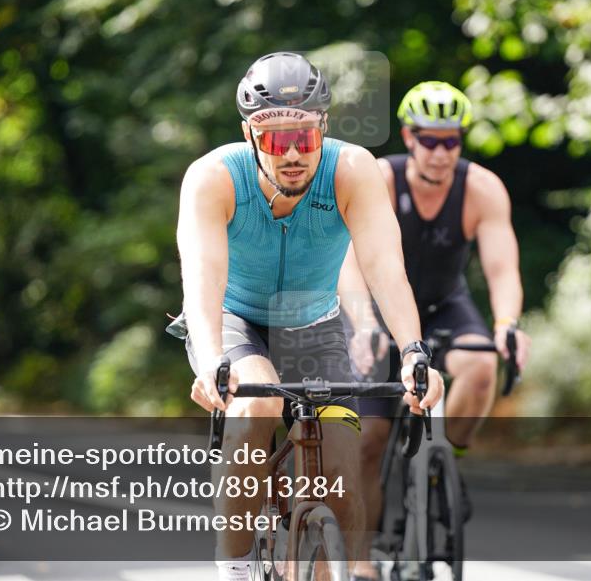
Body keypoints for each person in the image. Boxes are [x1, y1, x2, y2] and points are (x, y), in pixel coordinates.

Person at [170, 52, 445, 581]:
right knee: (258, 407)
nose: (293, 153)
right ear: (249, 134)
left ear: (324, 127)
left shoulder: (352, 170)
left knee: (342, 472)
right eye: (277, 140)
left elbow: (386, 267)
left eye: (307, 136)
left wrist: (413, 351)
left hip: (314, 324)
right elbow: (202, 280)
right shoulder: (213, 178)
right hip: (234, 318)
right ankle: (235, 568)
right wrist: (210, 363)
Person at [338, 81, 531, 579]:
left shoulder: (482, 189)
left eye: (452, 141)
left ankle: (444, 456)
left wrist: (508, 324)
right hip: (378, 309)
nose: (441, 152)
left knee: (482, 364)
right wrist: (363, 325)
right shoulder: (378, 179)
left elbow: (503, 269)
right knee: (369, 438)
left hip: (446, 304)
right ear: (408, 137)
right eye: (430, 139)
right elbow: (348, 262)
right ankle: (362, 560)